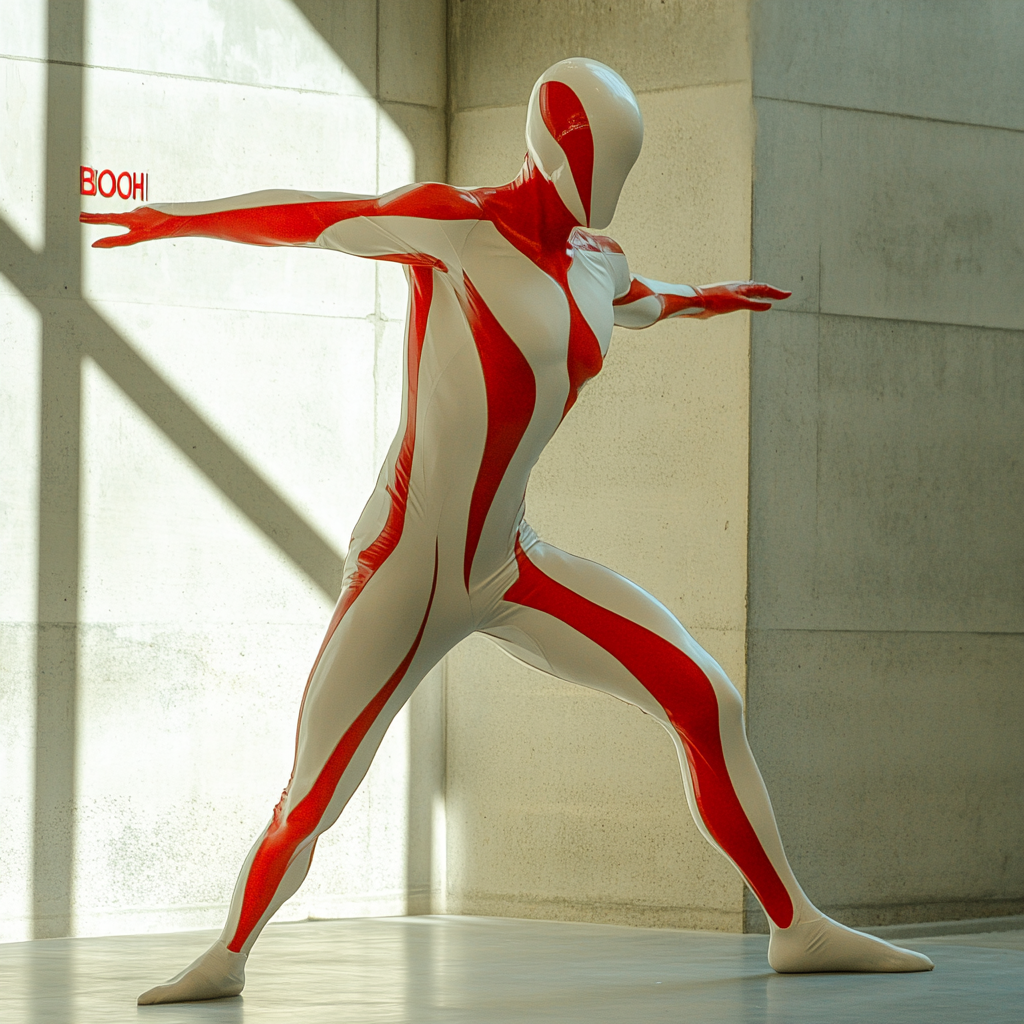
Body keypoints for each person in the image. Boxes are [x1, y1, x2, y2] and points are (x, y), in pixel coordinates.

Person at [82, 57, 933, 1005]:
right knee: (314, 794)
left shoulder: (596, 260)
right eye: (593, 155)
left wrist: (707, 296)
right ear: (553, 144)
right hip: (407, 573)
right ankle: (227, 955)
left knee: (706, 698)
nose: (604, 182)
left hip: (508, 562)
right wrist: (174, 219)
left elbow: (641, 301)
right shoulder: (459, 226)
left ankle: (798, 928)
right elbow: (313, 217)